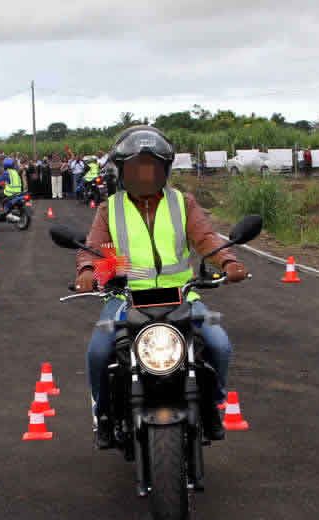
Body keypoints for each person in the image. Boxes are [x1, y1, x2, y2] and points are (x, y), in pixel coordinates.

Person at [74, 125, 250, 448]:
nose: (144, 174)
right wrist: (88, 271)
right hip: (126, 298)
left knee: (218, 343)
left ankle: (212, 406)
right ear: (123, 171)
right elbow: (95, 248)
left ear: (163, 170)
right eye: (136, 167)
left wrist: (227, 261)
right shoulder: (109, 209)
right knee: (98, 351)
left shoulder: (183, 203)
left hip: (182, 294)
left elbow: (207, 238)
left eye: (151, 167)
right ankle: (102, 415)